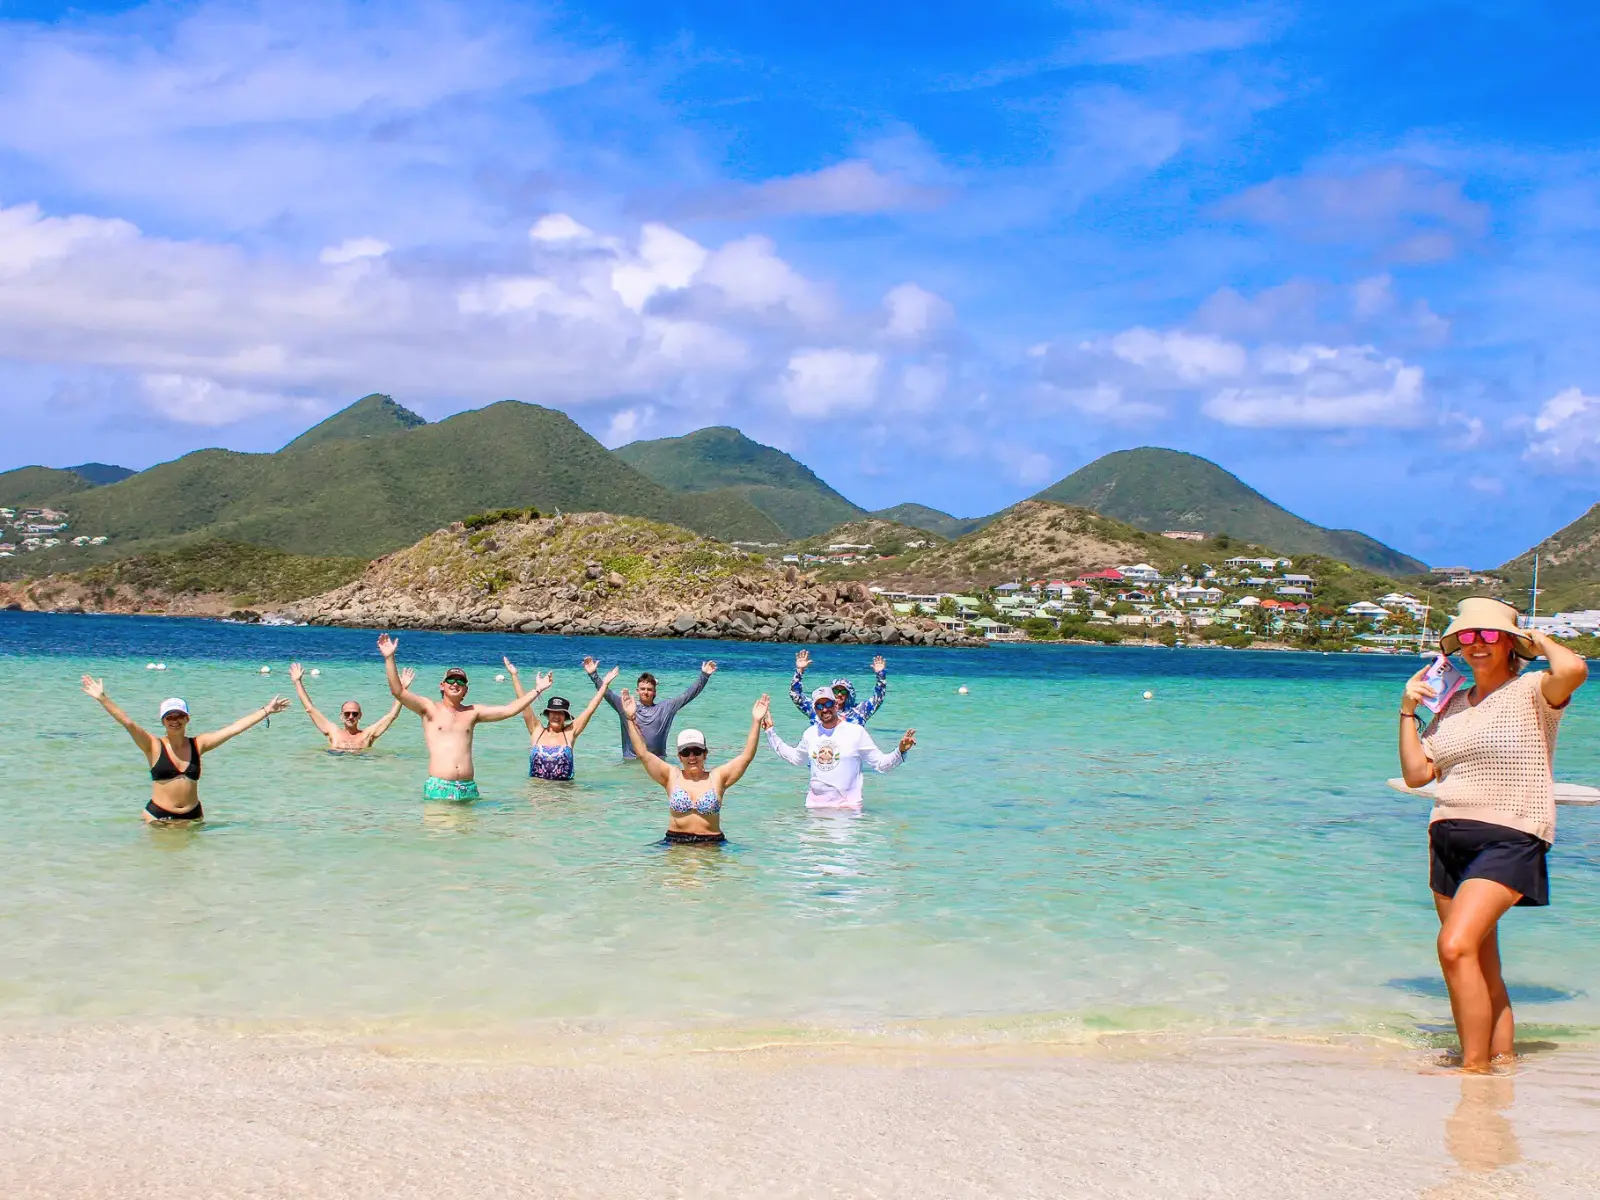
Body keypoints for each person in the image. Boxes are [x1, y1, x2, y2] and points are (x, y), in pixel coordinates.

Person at [1398, 596, 1587, 1072]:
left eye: (1487, 635)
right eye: (1466, 636)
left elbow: (1576, 669)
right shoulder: (1452, 705)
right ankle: (1499, 1064)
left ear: (1508, 644)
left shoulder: (1533, 691)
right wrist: (1406, 711)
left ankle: (1473, 1069)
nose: (1475, 644)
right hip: (1447, 836)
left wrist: (1535, 639)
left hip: (1511, 835)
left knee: (1454, 946)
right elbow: (1419, 774)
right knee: (1481, 965)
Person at [80, 676, 290, 822]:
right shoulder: (152, 745)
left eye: (179, 716)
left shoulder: (198, 744)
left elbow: (234, 729)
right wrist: (102, 698)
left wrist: (266, 710)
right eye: (169, 717)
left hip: (193, 817)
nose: (174, 721)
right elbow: (128, 723)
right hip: (158, 818)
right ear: (163, 721)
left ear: (187, 718)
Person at [378, 634, 551, 801]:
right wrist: (389, 658)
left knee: (469, 831)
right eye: (451, 681)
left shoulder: (472, 713)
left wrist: (538, 689)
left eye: (460, 682)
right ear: (442, 685)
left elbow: (510, 710)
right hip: (440, 787)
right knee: (438, 831)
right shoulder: (429, 709)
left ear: (466, 690)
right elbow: (398, 691)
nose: (455, 684)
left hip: (468, 788)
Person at [620, 687, 769, 845]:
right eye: (686, 752)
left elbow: (746, 757)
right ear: (679, 756)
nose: (692, 757)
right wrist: (630, 719)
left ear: (705, 754)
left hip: (711, 844)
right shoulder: (671, 775)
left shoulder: (717, 777)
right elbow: (643, 753)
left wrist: (756, 721)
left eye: (697, 751)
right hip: (675, 842)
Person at [764, 685, 915, 808]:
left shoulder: (856, 732)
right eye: (819, 705)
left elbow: (881, 765)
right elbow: (796, 758)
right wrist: (770, 732)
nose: (824, 709)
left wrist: (900, 751)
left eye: (828, 704)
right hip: (814, 811)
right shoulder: (810, 734)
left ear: (836, 704)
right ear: (815, 709)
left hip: (847, 811)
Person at [503, 655, 618, 780]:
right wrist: (514, 676)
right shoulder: (536, 731)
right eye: (553, 712)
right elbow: (523, 705)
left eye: (560, 713)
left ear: (565, 716)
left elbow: (590, 709)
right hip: (536, 794)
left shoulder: (570, 732)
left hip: (564, 794)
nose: (556, 716)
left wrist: (604, 684)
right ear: (548, 714)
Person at [586, 655, 716, 759]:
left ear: (655, 692)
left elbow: (688, 695)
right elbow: (606, 693)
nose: (645, 692)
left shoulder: (666, 708)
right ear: (637, 691)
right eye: (642, 689)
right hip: (631, 762)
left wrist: (704, 676)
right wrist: (594, 675)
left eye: (649, 689)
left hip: (658, 762)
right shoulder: (625, 707)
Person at [289, 661, 411, 752]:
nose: (351, 717)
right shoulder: (333, 732)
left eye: (354, 714)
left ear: (360, 716)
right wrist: (297, 682)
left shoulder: (367, 735)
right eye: (347, 713)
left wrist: (403, 690)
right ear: (341, 716)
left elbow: (392, 715)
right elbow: (310, 709)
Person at [789, 650, 888, 725]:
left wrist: (880, 675)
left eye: (843, 692)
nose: (839, 694)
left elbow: (878, 699)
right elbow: (795, 695)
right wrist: (799, 670)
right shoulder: (817, 708)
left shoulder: (859, 711)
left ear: (849, 694)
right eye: (836, 690)